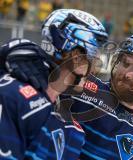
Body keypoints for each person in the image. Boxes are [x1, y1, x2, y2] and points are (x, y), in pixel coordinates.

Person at [2, 31, 133, 159]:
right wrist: (19, 51)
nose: (126, 73)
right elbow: (45, 65)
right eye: (124, 63)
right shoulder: (80, 87)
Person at [0, 9, 108, 160]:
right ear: (76, 56)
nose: (97, 68)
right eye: (94, 55)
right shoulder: (14, 97)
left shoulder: (75, 131)